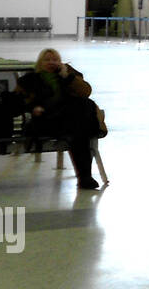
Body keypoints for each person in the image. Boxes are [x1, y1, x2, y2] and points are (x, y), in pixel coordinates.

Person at [15, 48, 106, 190]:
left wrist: (67, 76)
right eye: (47, 60)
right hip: (45, 120)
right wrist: (33, 108)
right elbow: (19, 101)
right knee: (81, 127)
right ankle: (85, 177)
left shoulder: (68, 74)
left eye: (55, 59)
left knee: (83, 109)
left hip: (67, 120)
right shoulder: (31, 78)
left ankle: (85, 178)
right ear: (40, 62)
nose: (51, 62)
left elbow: (86, 92)